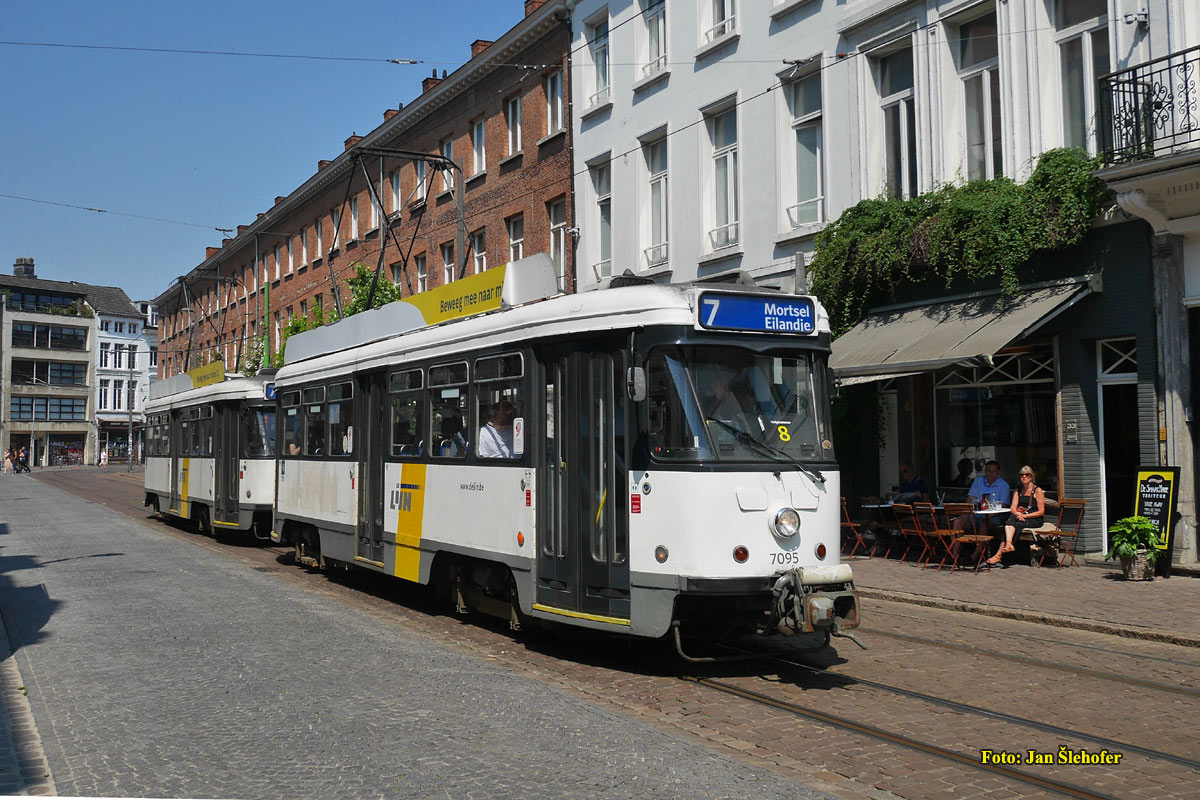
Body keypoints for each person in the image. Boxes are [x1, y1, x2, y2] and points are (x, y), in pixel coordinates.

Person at [987, 465, 1046, 566]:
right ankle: (1008, 545)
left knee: (1014, 524)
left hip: (1034, 518)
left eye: (1027, 475)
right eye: (1022, 475)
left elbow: (1041, 512)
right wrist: (1018, 514)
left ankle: (999, 554)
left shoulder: (1037, 490)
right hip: (1019, 516)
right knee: (1009, 522)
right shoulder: (1018, 490)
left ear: (1031, 476)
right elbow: (1013, 507)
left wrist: (1025, 516)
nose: (1024, 477)